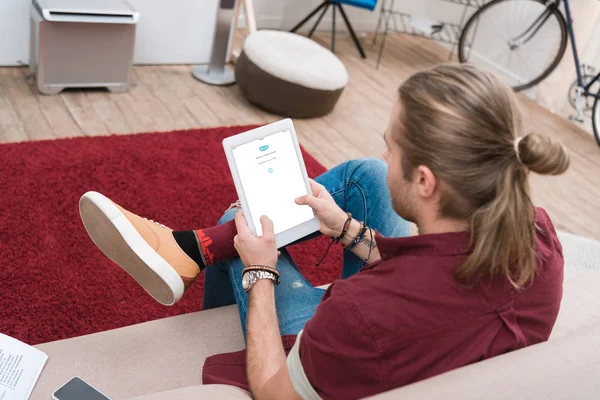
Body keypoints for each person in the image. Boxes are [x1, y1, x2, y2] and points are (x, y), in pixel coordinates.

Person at [79, 63, 570, 400]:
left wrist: (260, 273)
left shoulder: (359, 313)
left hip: (353, 349)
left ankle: (200, 251)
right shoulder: (540, 238)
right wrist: (347, 230)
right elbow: (437, 274)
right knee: (366, 178)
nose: (386, 153)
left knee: (243, 222)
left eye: (392, 146)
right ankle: (192, 250)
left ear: (425, 181)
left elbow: (277, 391)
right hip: (426, 326)